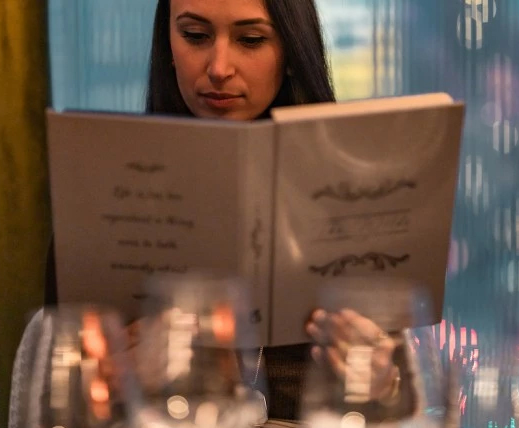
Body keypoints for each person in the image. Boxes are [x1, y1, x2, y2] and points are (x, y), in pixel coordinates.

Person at [46, 0, 405, 424]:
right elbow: (49, 397)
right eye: (195, 36)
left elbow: (396, 400)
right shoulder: (104, 195)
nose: (219, 67)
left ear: (291, 52)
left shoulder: (353, 197)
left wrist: (383, 389)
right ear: (167, 45)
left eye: (250, 40)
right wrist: (107, 388)